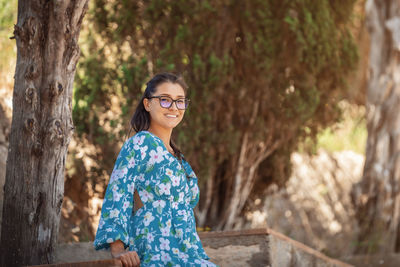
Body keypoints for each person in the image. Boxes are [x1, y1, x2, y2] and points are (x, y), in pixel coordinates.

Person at [93, 72, 219, 267]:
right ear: (147, 104)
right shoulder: (140, 144)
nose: (174, 107)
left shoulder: (178, 157)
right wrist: (118, 250)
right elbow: (118, 193)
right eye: (165, 100)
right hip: (158, 252)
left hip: (190, 252)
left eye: (180, 101)